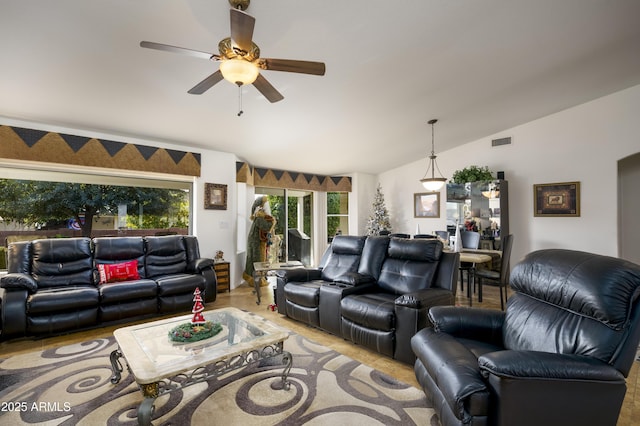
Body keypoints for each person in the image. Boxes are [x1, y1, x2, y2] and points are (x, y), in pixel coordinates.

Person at [243, 196, 276, 286]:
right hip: (256, 242)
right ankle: (256, 280)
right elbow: (266, 227)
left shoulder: (260, 216)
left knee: (256, 259)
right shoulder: (259, 216)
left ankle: (258, 279)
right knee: (257, 260)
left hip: (256, 241)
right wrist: (273, 222)